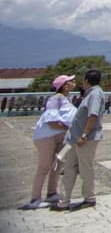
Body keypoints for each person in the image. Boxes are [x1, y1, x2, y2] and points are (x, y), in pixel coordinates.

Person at [20, 74, 77, 210]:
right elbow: (51, 122)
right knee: (44, 166)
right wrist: (68, 128)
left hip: (60, 136)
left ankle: (52, 193)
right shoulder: (55, 99)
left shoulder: (66, 99)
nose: (74, 82)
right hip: (47, 136)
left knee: (58, 164)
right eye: (70, 81)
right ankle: (35, 198)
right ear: (64, 86)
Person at [54, 69, 105, 211]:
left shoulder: (95, 94)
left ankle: (89, 197)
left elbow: (93, 115)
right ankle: (64, 200)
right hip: (74, 138)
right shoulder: (90, 94)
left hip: (85, 138)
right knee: (69, 167)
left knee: (85, 168)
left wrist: (84, 135)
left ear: (86, 81)